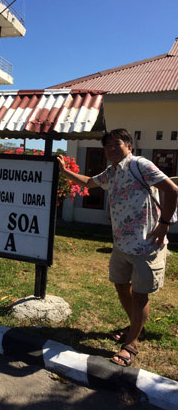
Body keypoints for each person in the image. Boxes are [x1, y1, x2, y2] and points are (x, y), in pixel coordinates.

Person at [57, 128, 178, 367]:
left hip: (146, 244)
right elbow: (90, 182)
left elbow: (172, 190)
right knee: (122, 287)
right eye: (107, 146)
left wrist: (164, 225)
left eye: (117, 144)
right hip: (121, 244)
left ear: (129, 146)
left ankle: (130, 344)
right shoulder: (112, 172)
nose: (111, 149)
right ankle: (135, 326)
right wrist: (65, 172)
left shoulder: (140, 165)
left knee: (140, 295)